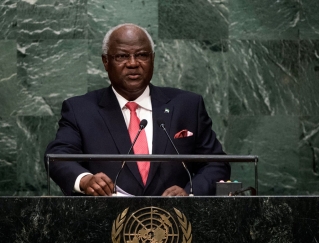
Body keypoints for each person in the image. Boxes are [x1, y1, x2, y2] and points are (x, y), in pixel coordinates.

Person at [45, 23, 230, 196]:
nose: (133, 63)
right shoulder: (81, 110)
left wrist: (189, 192)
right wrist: (85, 180)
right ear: (105, 62)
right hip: (104, 221)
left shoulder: (187, 105)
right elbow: (58, 157)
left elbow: (216, 163)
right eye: (122, 56)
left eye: (142, 55)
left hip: (176, 222)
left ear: (153, 59)